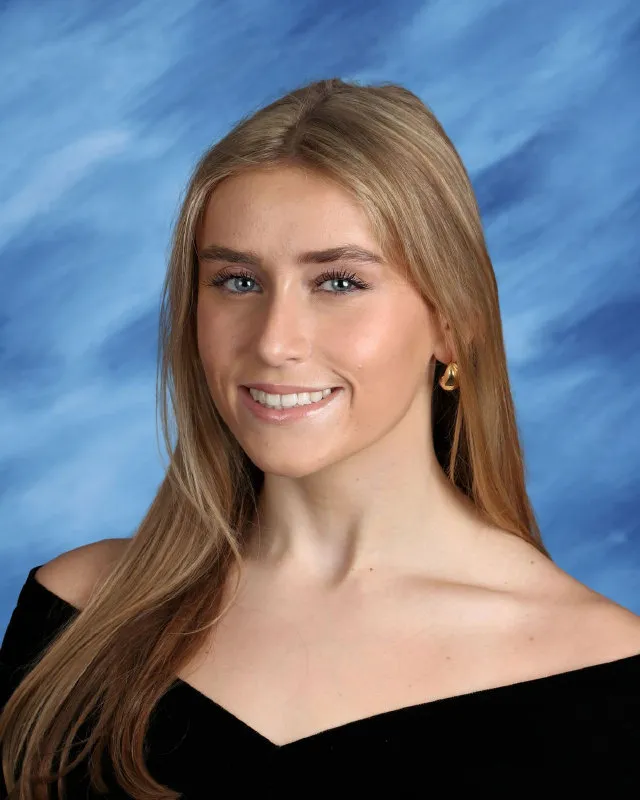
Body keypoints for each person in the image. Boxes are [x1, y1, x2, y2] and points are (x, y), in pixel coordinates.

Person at [1, 77, 639, 799]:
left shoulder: (605, 673)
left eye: (338, 283)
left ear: (453, 321)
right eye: (238, 282)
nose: (274, 342)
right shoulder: (79, 617)